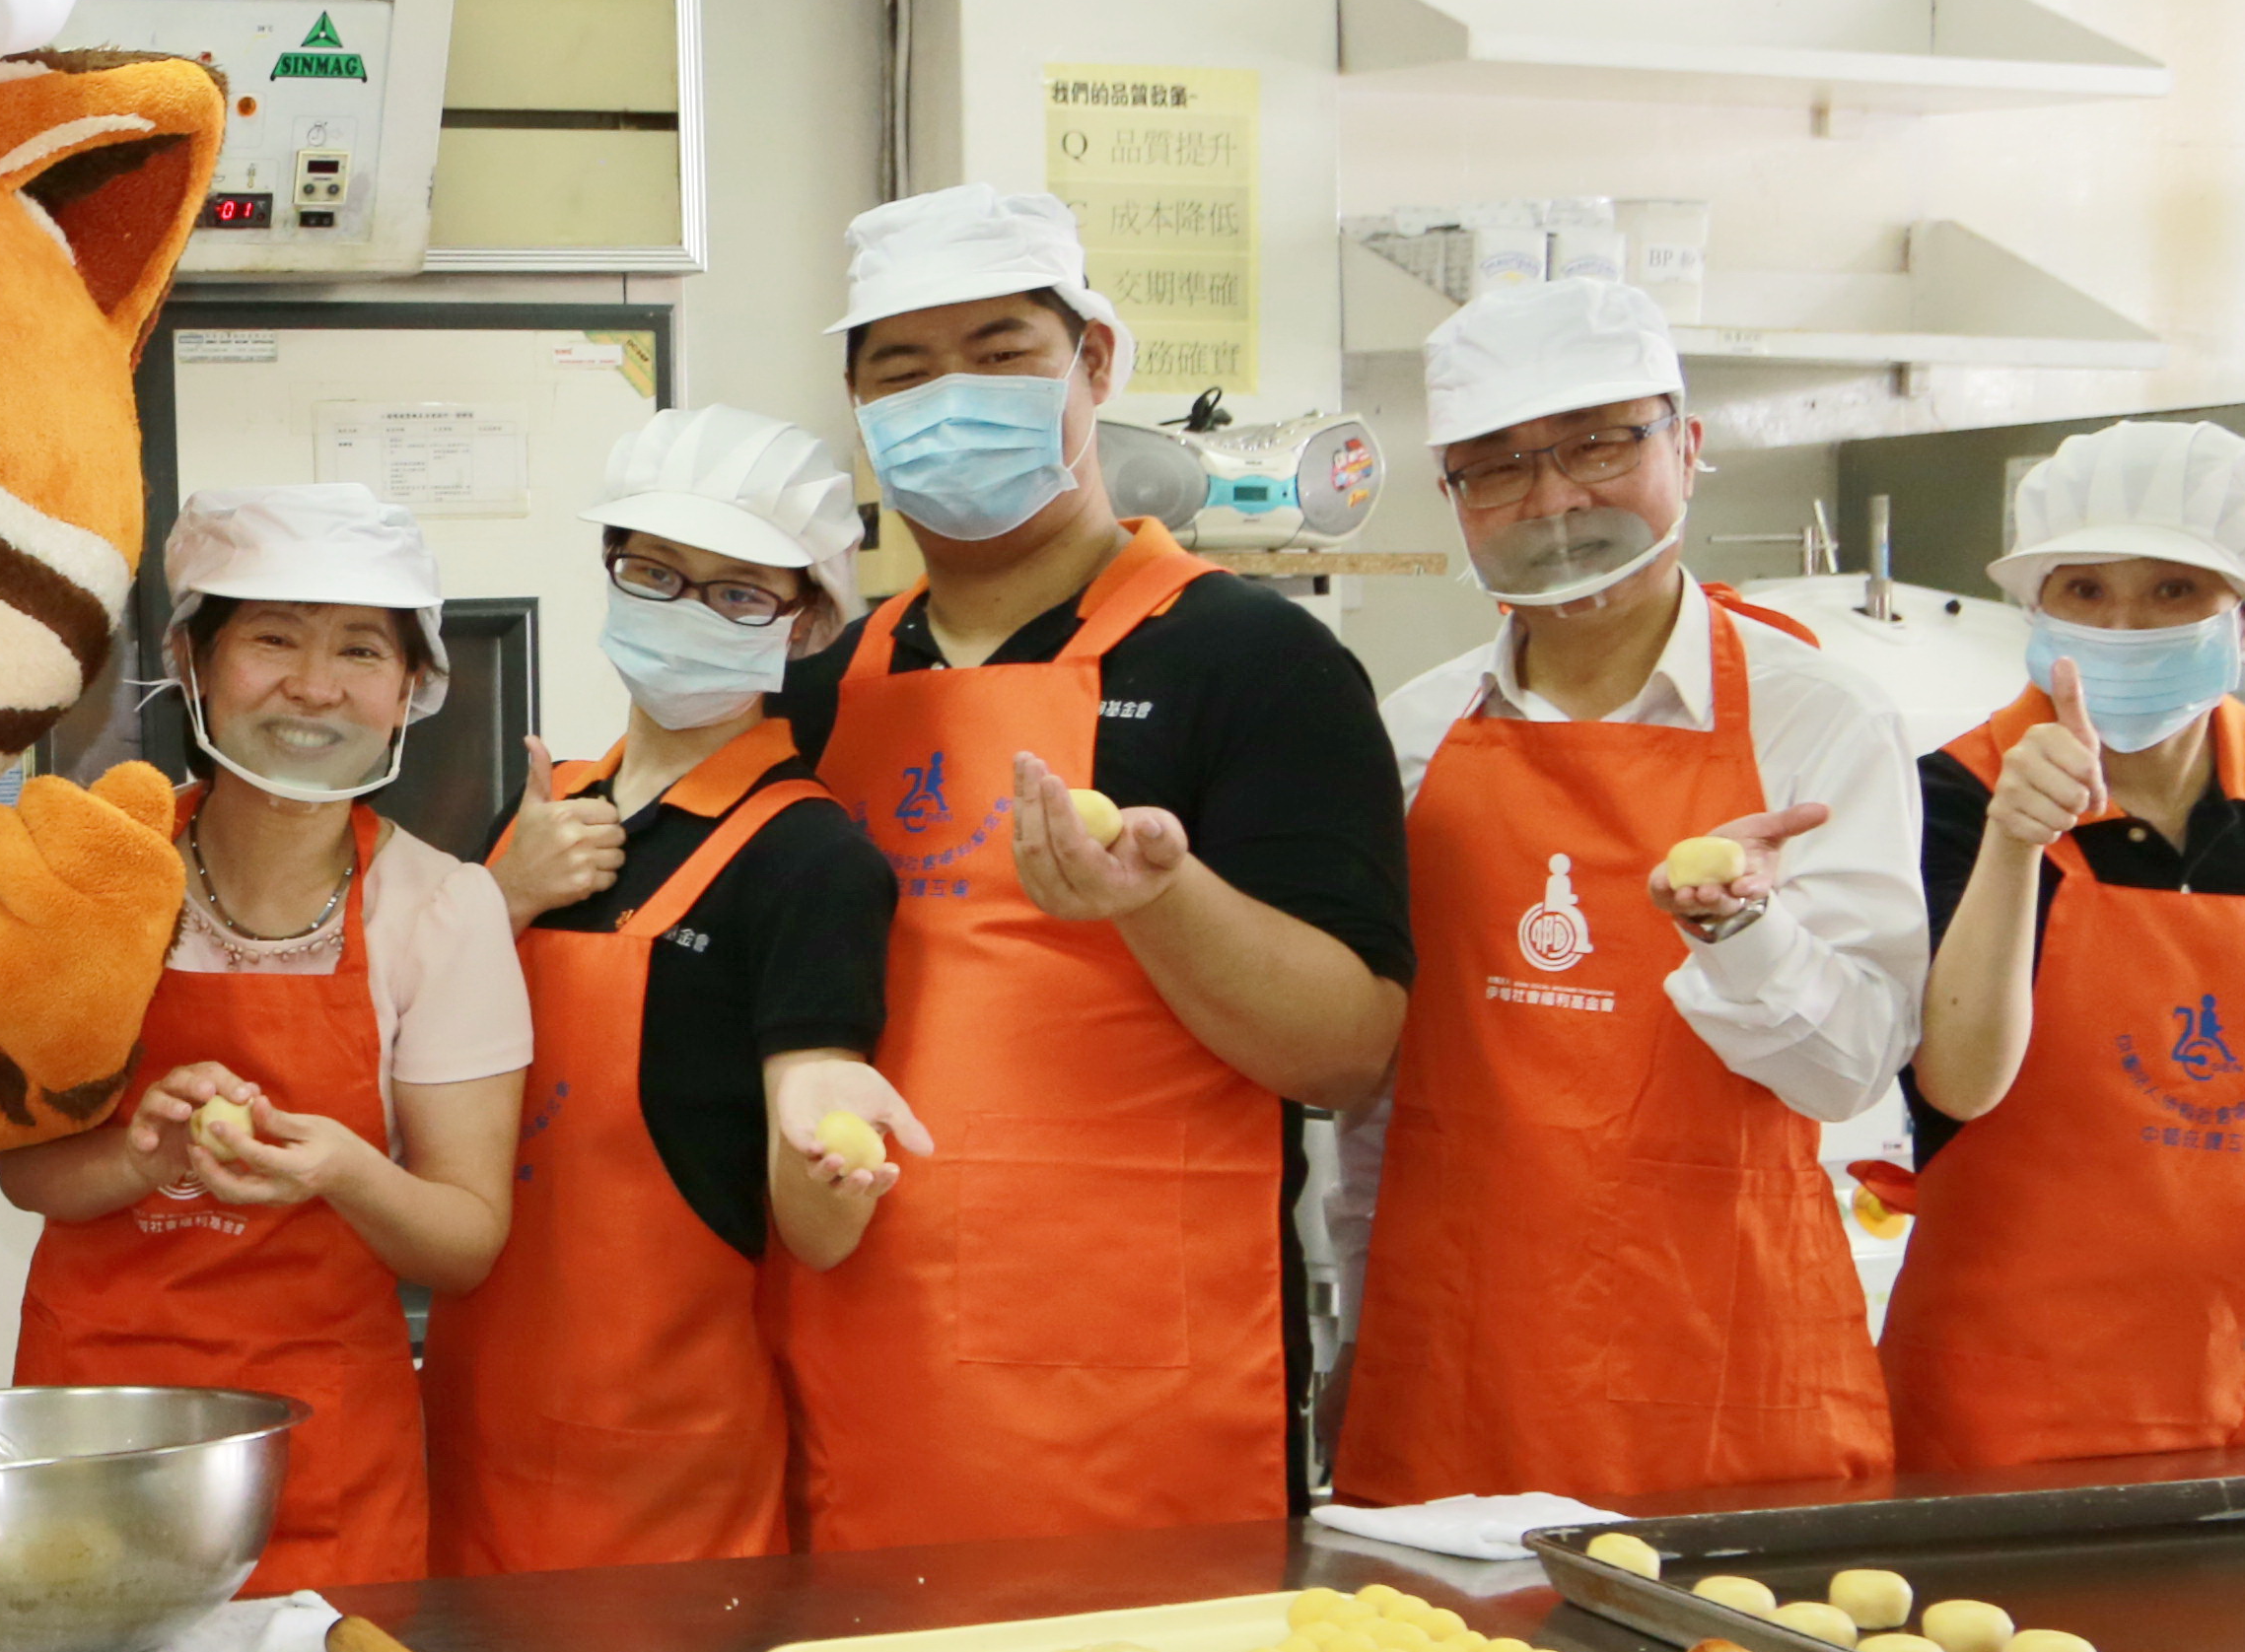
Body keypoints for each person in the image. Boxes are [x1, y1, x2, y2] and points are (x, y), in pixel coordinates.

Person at [767, 183, 1415, 1549]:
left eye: (999, 354)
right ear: (860, 407)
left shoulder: (1253, 662)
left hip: (1141, 1393)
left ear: (1095, 361)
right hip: (855, 1357)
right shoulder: (816, 689)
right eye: (904, 370)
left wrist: (1160, 903)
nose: (951, 398)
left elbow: (1348, 1049)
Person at [1327, 281, 1916, 1508]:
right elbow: (1374, 1107)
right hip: (1461, 1360)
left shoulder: (1819, 721)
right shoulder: (1411, 734)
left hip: (1723, 1353)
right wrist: (1360, 1334)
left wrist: (1743, 933)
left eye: (1599, 444)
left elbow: (1854, 1071)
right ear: (1454, 498)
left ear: (1686, 447)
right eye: (1499, 468)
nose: (1554, 501)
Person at [2, 487, 526, 1592]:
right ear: (192, 660)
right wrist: (139, 1157)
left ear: (410, 689)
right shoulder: (97, 881)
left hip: (322, 1451)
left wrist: (343, 1171)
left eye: (361, 650)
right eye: (274, 639)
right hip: (98, 1428)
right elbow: (25, 1174)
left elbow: (465, 1242)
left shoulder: (444, 909)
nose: (315, 686)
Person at [438, 407, 919, 1574]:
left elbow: (817, 1217)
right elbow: (409, 1069)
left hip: (660, 1457)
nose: (684, 610)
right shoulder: (543, 813)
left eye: (737, 593)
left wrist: (835, 1170)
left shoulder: (810, 861)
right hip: (466, 1414)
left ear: (804, 622)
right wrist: (501, 897)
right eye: (655, 572)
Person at [1890, 418, 2245, 1470]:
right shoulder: (1959, 793)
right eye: (2084, 590)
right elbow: (1958, 1083)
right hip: (2015, 1402)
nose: (2124, 624)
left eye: (2173, 590)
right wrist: (2017, 842)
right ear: (2037, 610)